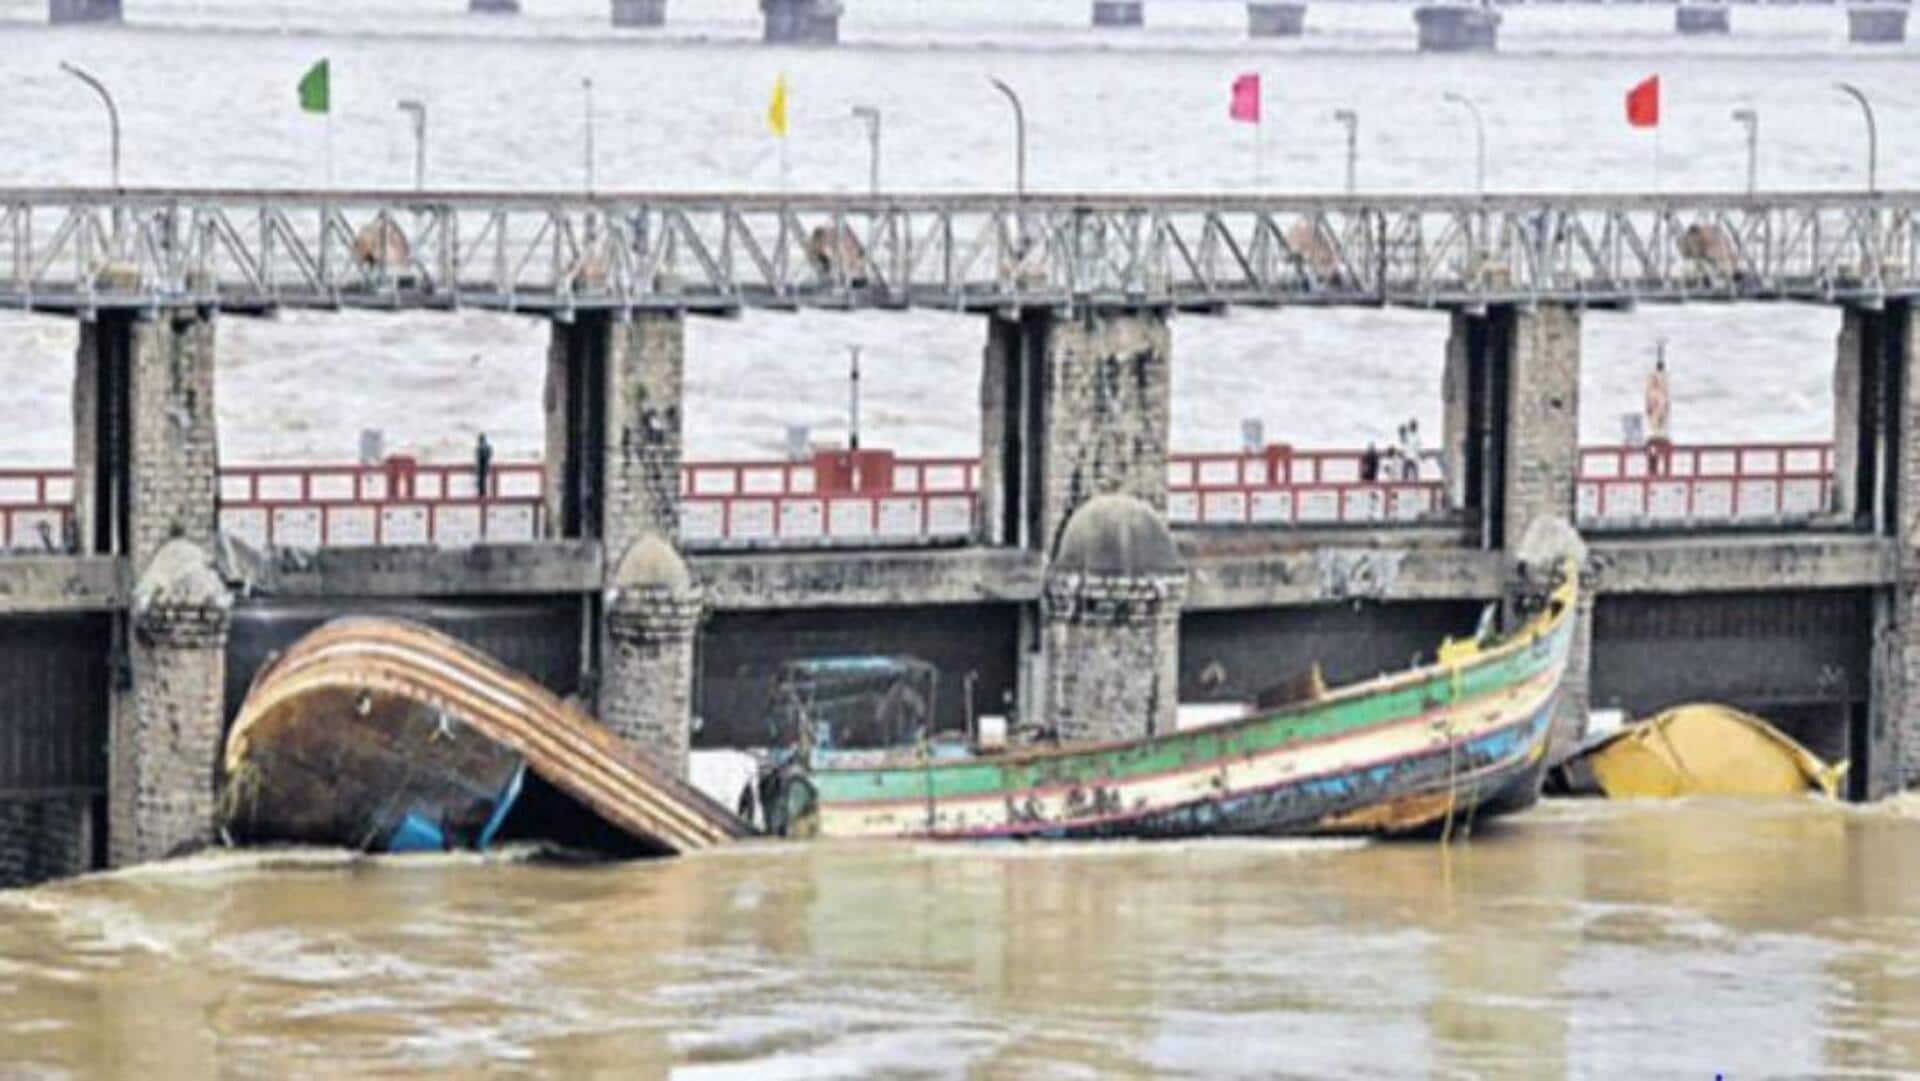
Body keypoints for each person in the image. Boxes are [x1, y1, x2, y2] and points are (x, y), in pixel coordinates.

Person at [1645, 354, 1671, 476]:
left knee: (1655, 451)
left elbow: (1652, 409)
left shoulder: (1655, 390)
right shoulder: (1659, 391)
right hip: (1657, 431)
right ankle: (1659, 472)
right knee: (1656, 450)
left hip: (1656, 431)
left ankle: (1655, 471)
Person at [474, 432, 494, 499]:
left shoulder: (479, 447)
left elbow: (478, 458)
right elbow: (490, 455)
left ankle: (481, 495)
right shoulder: (489, 447)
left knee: (481, 481)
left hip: (481, 466)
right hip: (486, 465)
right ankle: (483, 495)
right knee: (484, 480)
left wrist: (477, 468)